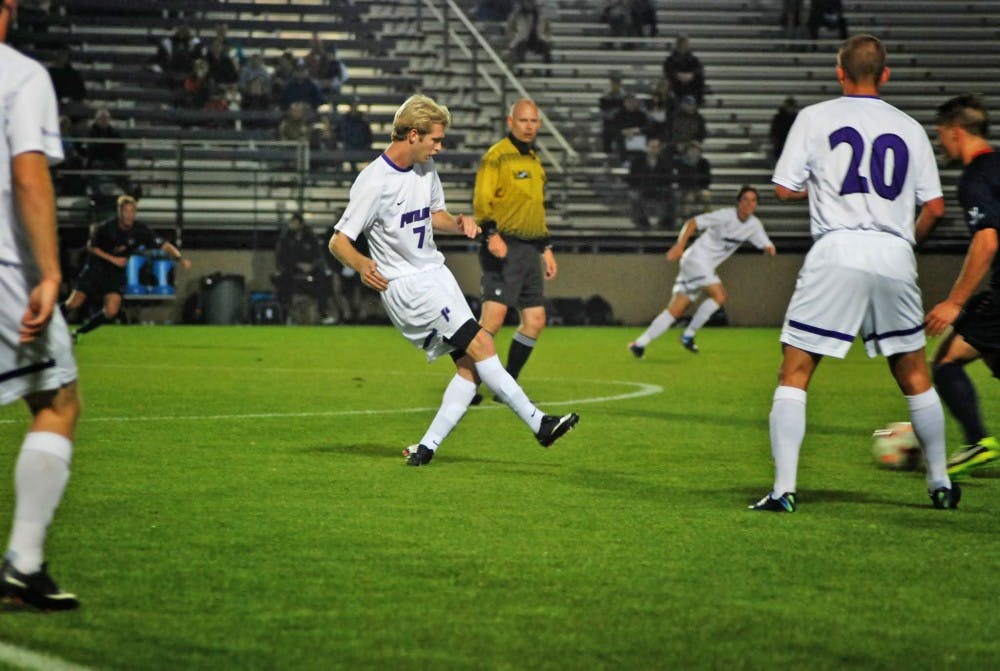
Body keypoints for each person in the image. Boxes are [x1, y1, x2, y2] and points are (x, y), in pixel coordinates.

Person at [753, 34, 956, 512]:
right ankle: (941, 484)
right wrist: (903, 242)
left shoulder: (814, 117)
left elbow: (782, 189)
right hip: (894, 252)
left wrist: (821, 187)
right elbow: (935, 207)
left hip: (838, 248)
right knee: (914, 373)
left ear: (839, 72)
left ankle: (784, 491)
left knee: (795, 370)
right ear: (885, 75)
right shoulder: (909, 127)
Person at [329, 94, 578, 465]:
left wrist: (458, 222)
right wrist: (363, 264)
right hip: (409, 285)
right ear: (413, 135)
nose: (439, 148)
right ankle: (539, 423)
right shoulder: (374, 181)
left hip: (435, 273)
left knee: (470, 366)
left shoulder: (425, 167)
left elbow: (433, 214)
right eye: (435, 139)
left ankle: (426, 447)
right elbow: (338, 241)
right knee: (482, 343)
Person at [0, 0, 82, 611]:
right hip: (6, 270)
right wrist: (51, 273)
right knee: (57, 401)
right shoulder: (21, 76)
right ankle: (23, 564)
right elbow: (29, 176)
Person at [926, 94, 1000, 476]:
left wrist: (954, 301)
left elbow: (986, 241)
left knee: (945, 361)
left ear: (956, 131)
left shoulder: (976, 177)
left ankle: (976, 442)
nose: (940, 143)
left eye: (940, 134)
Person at [471, 98, 556, 404]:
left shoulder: (534, 161)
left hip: (529, 250)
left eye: (533, 121)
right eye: (523, 120)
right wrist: (491, 233)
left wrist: (545, 248)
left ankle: (506, 386)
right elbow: (482, 200)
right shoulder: (497, 156)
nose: (529, 126)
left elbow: (536, 209)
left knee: (535, 320)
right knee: (492, 320)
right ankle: (466, 385)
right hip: (503, 245)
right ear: (510, 122)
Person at [629, 186, 774, 357]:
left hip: (698, 266)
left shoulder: (754, 225)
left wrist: (769, 248)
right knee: (719, 296)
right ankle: (688, 335)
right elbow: (692, 223)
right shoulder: (725, 216)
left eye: (753, 200)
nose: (749, 203)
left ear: (756, 204)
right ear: (738, 202)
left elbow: (765, 243)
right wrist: (679, 246)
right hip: (696, 260)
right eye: (745, 199)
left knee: (676, 309)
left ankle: (639, 344)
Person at [64, 195, 191, 340]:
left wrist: (180, 258)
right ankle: (48, 322)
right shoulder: (106, 228)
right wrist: (113, 259)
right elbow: (91, 248)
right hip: (96, 269)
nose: (129, 215)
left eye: (132, 211)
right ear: (119, 212)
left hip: (115, 273)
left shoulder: (140, 230)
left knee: (111, 311)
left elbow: (164, 244)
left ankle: (78, 333)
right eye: (126, 211)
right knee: (73, 304)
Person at [273, 213, 336, 325]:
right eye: (292, 223)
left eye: (295, 223)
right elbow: (282, 258)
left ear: (301, 224)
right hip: (292, 269)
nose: (293, 225)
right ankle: (287, 314)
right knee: (282, 281)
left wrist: (311, 265)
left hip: (311, 269)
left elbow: (318, 256)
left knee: (324, 279)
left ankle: (323, 312)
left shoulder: (311, 238)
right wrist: (297, 265)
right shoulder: (285, 239)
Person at [626, 136, 675, 229]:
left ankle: (665, 223)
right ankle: (641, 222)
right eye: (651, 147)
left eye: (656, 147)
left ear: (659, 149)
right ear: (647, 147)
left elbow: (669, 179)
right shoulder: (637, 162)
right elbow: (631, 178)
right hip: (642, 189)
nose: (653, 149)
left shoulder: (665, 162)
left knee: (671, 195)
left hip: (659, 190)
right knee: (634, 195)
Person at [506, 0, 553, 69]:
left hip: (537, 39)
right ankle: (520, 70)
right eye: (528, 2)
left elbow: (548, 29)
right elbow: (510, 28)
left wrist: (548, 38)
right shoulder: (516, 15)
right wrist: (513, 37)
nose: (530, 4)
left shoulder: (541, 15)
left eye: (532, 2)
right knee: (520, 48)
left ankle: (548, 70)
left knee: (546, 47)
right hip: (521, 39)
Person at [662, 34, 706, 105]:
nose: (683, 46)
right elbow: (668, 71)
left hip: (691, 88)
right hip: (676, 87)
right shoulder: (670, 60)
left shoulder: (694, 59)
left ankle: (696, 102)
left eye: (685, 43)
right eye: (681, 43)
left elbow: (699, 70)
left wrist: (691, 75)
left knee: (699, 79)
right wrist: (677, 75)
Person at [769, 96, 799, 166]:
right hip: (780, 144)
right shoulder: (779, 118)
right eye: (789, 107)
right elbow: (774, 131)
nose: (790, 109)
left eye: (792, 107)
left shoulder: (797, 118)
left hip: (792, 144)